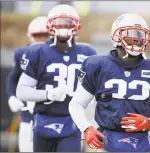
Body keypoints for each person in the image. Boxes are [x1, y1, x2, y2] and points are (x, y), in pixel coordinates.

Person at [69, 13, 150, 152]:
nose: (136, 40)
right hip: (106, 142)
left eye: (139, 36)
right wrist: (86, 128)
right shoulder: (98, 65)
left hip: (140, 144)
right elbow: (76, 104)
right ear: (116, 36)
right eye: (131, 35)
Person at [16, 4, 97, 152]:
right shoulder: (37, 51)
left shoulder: (88, 52)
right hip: (43, 119)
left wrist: (91, 97)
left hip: (73, 121)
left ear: (77, 26)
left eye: (68, 23)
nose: (64, 27)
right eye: (60, 23)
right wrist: (47, 94)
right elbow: (22, 91)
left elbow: (97, 87)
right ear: (50, 26)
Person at [6, 16, 49, 152]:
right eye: (38, 36)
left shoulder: (61, 55)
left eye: (45, 36)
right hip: (28, 116)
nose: (42, 40)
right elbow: (13, 78)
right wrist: (12, 97)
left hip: (52, 114)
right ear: (30, 36)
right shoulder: (22, 54)